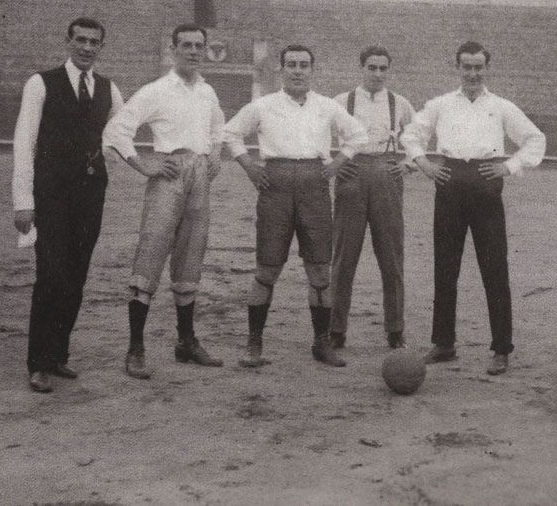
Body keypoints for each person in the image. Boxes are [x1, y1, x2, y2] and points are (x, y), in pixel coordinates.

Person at [401, 41, 545, 376]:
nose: (472, 73)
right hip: (449, 178)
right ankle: (444, 342)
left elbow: (535, 139)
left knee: (494, 269)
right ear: (457, 68)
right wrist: (423, 163)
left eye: (478, 67)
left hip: (485, 179)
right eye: (466, 67)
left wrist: (509, 167)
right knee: (445, 267)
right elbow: (411, 134)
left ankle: (501, 348)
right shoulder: (440, 104)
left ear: (487, 69)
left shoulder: (502, 106)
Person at [223, 44, 368, 368]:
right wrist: (248, 164)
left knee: (319, 269)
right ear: (281, 69)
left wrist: (337, 162)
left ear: (312, 70)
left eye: (304, 65)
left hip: (314, 186)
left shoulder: (327, 106)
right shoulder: (263, 105)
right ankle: (254, 343)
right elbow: (230, 133)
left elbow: (358, 135)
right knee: (267, 268)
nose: (298, 70)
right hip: (274, 186)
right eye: (292, 65)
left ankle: (321, 342)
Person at [103, 24, 225, 379]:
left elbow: (218, 128)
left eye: (198, 46)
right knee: (151, 254)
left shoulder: (207, 91)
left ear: (204, 50)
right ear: (173, 50)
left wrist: (215, 153)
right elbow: (116, 130)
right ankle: (136, 348)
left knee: (191, 257)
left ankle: (186, 342)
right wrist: (144, 165)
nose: (192, 51)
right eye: (185, 45)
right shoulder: (156, 90)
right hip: (168, 175)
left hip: (199, 176)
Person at [12, 17, 124, 393]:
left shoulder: (109, 88)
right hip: (51, 195)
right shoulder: (40, 83)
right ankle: (38, 363)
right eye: (81, 40)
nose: (87, 48)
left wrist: (144, 163)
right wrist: (23, 201)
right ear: (68, 41)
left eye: (94, 42)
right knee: (51, 275)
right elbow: (24, 143)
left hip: (90, 196)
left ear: (101, 47)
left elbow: (121, 135)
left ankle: (58, 355)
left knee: (76, 275)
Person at [329, 46, 416, 350]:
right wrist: (334, 165)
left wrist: (407, 164)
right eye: (371, 67)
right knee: (344, 256)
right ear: (361, 68)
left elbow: (418, 137)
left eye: (383, 68)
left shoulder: (400, 103)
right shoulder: (341, 101)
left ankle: (395, 330)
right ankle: (336, 329)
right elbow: (314, 132)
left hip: (386, 176)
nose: (377, 74)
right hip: (351, 177)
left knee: (392, 256)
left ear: (388, 70)